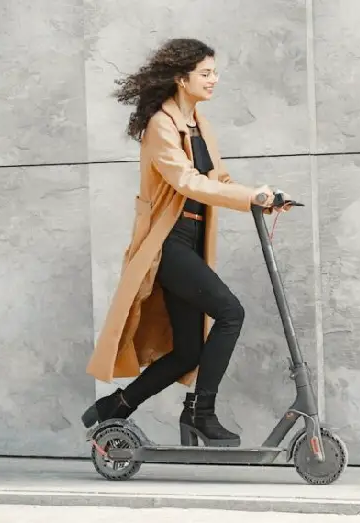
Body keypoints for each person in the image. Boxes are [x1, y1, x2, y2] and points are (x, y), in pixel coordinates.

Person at [82, 38, 289, 448]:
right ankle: (201, 411)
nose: (214, 79)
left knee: (187, 351)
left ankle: (113, 409)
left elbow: (218, 180)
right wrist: (248, 197)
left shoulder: (199, 124)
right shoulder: (161, 124)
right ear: (181, 78)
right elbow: (186, 181)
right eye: (205, 73)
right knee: (230, 312)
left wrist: (265, 198)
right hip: (168, 243)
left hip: (192, 241)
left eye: (214, 72)